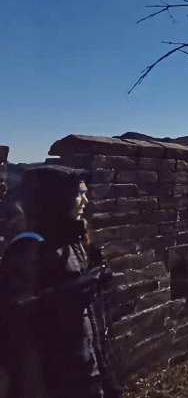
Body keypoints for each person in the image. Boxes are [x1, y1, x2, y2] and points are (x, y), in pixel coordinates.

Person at [0, 165, 122, 398]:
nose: (85, 201)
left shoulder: (73, 243)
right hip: (51, 379)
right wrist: (70, 295)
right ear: (55, 199)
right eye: (79, 194)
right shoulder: (27, 247)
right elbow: (12, 317)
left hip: (85, 369)